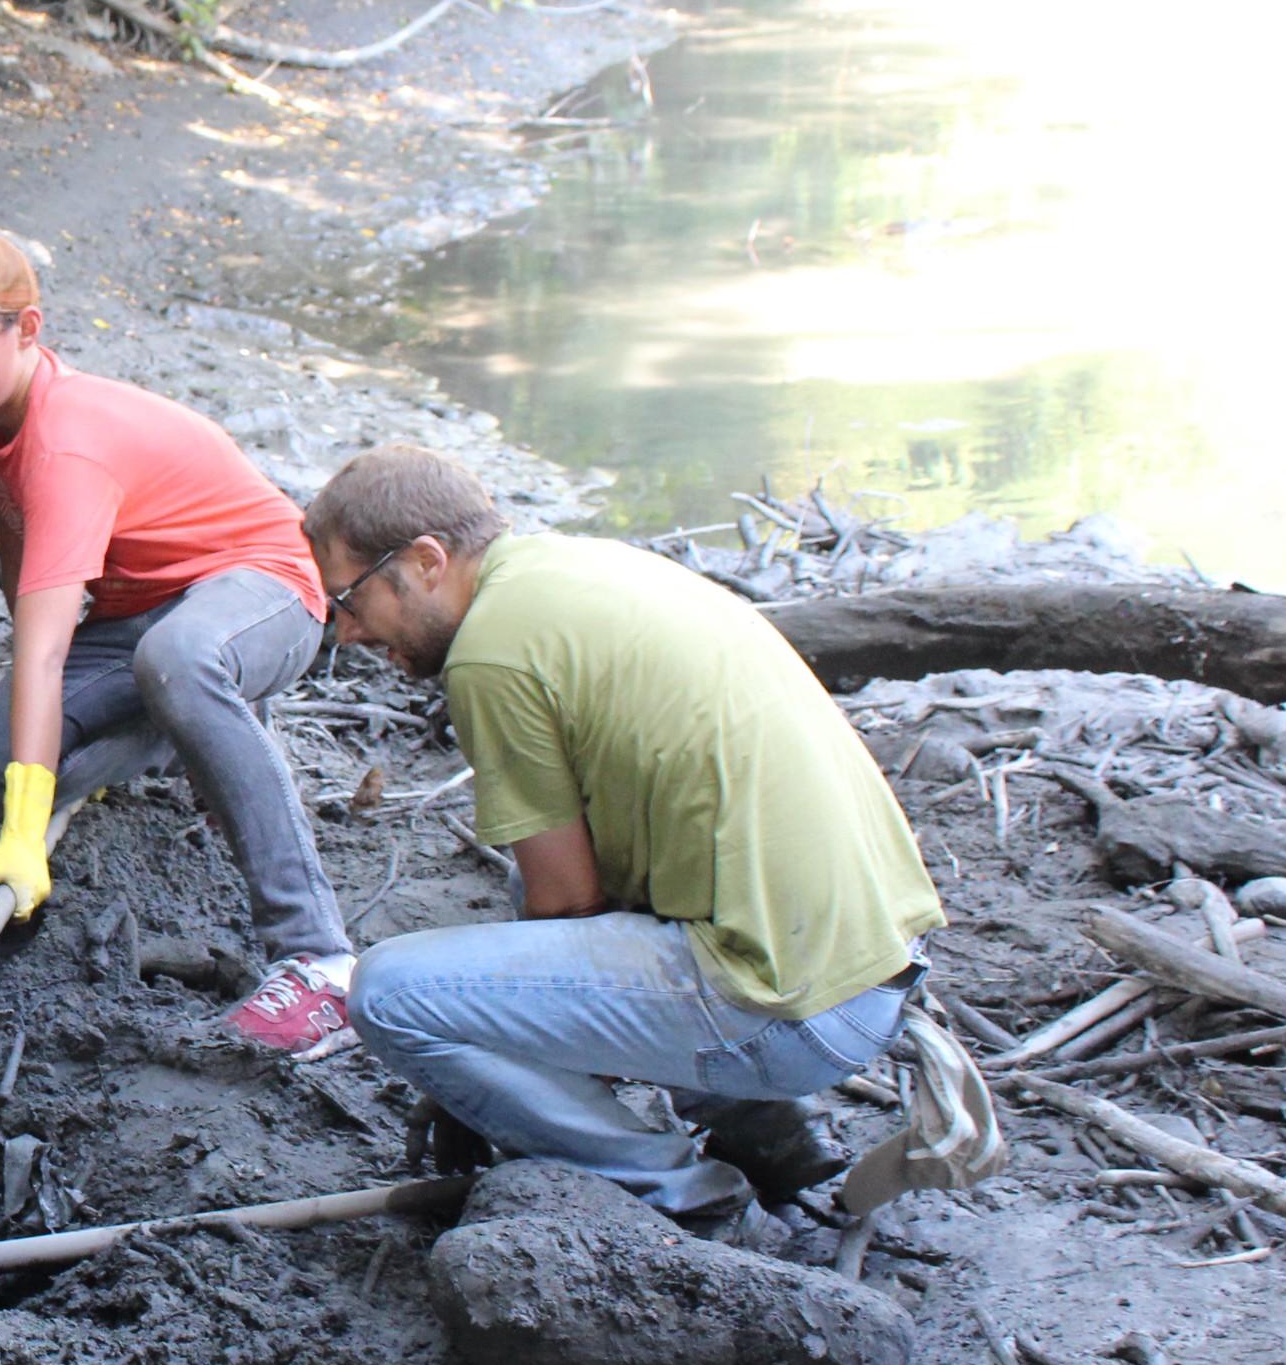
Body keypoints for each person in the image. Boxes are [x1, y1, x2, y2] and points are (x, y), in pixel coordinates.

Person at [304, 445, 945, 1221]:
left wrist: (477, 1086)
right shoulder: (576, 571)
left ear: (429, 560)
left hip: (792, 1016)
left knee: (393, 995)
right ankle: (765, 1129)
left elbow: (567, 904)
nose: (346, 633)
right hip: (870, 967)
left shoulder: (493, 657)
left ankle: (682, 1196)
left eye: (350, 599)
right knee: (527, 878)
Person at [0, 223, 355, 1053]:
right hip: (135, 617)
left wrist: (27, 833)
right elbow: (17, 548)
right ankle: (177, 729)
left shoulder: (69, 442)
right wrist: (21, 783)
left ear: (27, 330)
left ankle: (319, 962)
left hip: (260, 592)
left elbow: (40, 652)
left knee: (177, 661)